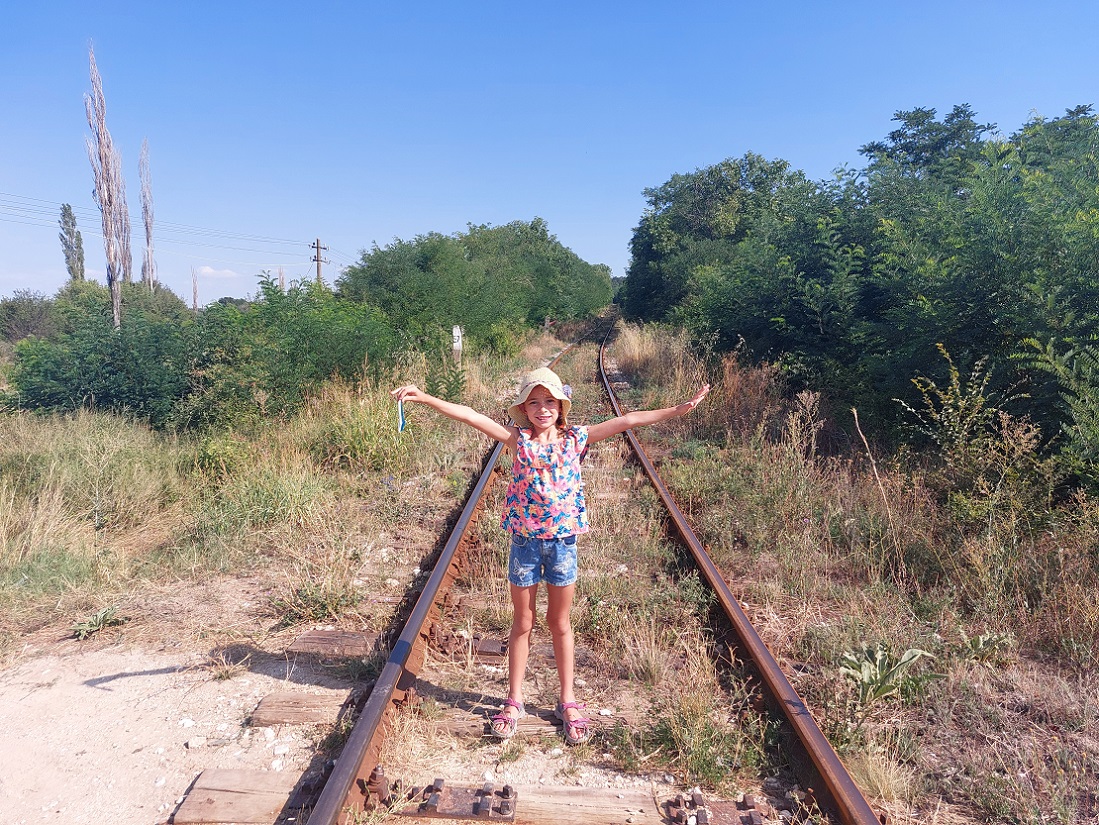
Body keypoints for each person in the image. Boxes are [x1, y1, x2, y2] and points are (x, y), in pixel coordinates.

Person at [391, 367, 709, 744]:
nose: (543, 409)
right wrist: (425, 398)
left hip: (562, 545)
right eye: (534, 402)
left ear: (561, 406)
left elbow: (627, 420)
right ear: (524, 408)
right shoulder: (518, 439)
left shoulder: (577, 437)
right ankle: (514, 700)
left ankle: (567, 700)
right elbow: (471, 415)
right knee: (522, 622)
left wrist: (676, 410)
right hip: (524, 543)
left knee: (559, 623)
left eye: (549, 401)